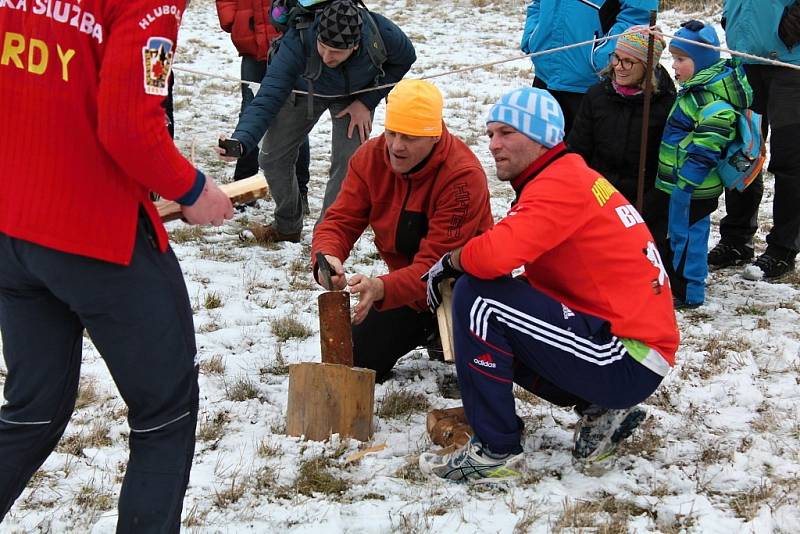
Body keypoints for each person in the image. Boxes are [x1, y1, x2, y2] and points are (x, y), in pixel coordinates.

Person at [0, 1, 234, 530]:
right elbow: (129, 126)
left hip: (12, 226)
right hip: (96, 235)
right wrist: (193, 189)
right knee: (164, 415)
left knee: (31, 412)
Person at [418, 87, 679, 482]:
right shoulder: (567, 177)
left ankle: (496, 452)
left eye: (506, 133)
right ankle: (602, 410)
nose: (493, 145)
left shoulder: (560, 184)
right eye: (490, 134)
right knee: (497, 308)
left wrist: (450, 261)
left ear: (540, 138)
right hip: (630, 349)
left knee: (478, 299)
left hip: (626, 357)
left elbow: (493, 256)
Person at [310, 79, 493, 382]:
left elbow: (437, 267)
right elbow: (340, 219)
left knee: (480, 371)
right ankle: (423, 327)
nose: (396, 146)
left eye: (409, 138)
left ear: (434, 136)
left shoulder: (462, 177)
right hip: (406, 291)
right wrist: (326, 255)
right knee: (356, 358)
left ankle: (444, 329)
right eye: (392, 132)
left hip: (459, 288)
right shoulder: (370, 158)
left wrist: (382, 288)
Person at [219, 0, 416, 243]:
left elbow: (406, 58)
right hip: (305, 89)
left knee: (348, 164)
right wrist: (241, 141)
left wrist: (367, 101)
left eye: (336, 52)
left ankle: (328, 237)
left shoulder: (381, 33)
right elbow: (267, 96)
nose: (327, 56)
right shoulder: (298, 41)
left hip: (355, 98)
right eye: (323, 47)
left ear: (354, 47)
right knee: (272, 158)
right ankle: (287, 225)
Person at [651, 21, 753, 308]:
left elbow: (705, 151)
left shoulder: (714, 103)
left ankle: (690, 291)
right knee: (678, 235)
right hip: (679, 183)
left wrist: (685, 184)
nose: (675, 66)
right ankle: (677, 282)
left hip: (693, 187)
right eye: (674, 58)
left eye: (682, 60)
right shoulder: (696, 91)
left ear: (703, 60)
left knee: (690, 239)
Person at [710, 0, 800, 280]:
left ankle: (783, 248)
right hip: (745, 57)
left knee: (789, 160)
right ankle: (736, 240)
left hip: (790, 62)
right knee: (740, 152)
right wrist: (730, 17)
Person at [567, 25, 676, 218]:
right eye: (616, 57)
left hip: (644, 207)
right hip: (596, 198)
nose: (618, 66)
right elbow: (577, 151)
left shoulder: (665, 105)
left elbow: (667, 169)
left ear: (647, 66)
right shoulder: (597, 96)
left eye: (628, 61)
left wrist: (644, 209)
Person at [215, 0, 313, 214]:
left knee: (296, 120)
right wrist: (234, 19)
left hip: (291, 46)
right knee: (250, 112)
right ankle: (243, 189)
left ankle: (300, 193)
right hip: (252, 47)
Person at [520, 0, 658, 134]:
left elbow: (638, 15)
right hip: (544, 76)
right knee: (541, 153)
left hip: (591, 85)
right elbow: (537, 3)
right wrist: (531, 36)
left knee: (582, 155)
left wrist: (602, 55)